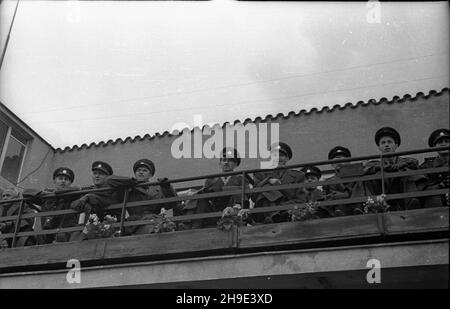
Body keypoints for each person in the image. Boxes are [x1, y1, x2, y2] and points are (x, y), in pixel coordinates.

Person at [352, 127, 422, 211]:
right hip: (381, 195)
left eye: (389, 142)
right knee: (365, 179)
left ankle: (411, 201)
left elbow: (414, 163)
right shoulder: (374, 164)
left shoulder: (406, 161)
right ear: (379, 147)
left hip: (400, 193)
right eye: (383, 143)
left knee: (406, 172)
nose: (386, 145)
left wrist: (393, 167)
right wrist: (389, 167)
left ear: (396, 145)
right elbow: (366, 169)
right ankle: (368, 206)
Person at [105, 158, 179, 235]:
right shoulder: (129, 187)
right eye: (138, 170)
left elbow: (171, 204)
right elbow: (109, 179)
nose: (141, 172)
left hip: (153, 221)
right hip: (134, 224)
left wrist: (167, 187)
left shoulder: (158, 188)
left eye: (144, 170)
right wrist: (131, 181)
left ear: (150, 175)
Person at [187, 147, 250, 229]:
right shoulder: (211, 179)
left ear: (236, 164)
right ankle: (195, 225)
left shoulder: (241, 178)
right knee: (200, 197)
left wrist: (222, 190)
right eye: (224, 160)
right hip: (214, 212)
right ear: (220, 163)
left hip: (233, 211)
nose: (226, 162)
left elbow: (247, 194)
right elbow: (205, 194)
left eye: (230, 160)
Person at [23, 167, 81, 244]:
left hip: (64, 235)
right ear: (54, 180)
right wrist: (45, 194)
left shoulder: (73, 196)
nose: (63, 181)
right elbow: (26, 193)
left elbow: (78, 189)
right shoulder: (48, 197)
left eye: (66, 179)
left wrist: (57, 193)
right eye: (60, 178)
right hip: (47, 234)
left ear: (70, 183)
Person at [251, 142, 306, 223]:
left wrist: (278, 185)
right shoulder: (260, 174)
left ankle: (276, 214)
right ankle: (274, 214)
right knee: (266, 188)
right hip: (264, 216)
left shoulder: (298, 175)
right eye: (275, 155)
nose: (278, 158)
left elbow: (300, 199)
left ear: (287, 159)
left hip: (288, 213)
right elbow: (254, 197)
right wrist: (268, 180)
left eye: (281, 155)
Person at [70, 161, 122, 239]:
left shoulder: (113, 191)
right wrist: (85, 197)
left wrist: (89, 197)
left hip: (109, 226)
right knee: (74, 240)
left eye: (101, 174)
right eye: (95, 173)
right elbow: (74, 205)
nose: (97, 176)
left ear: (108, 177)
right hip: (90, 226)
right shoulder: (88, 191)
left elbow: (106, 201)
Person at [323, 146, 361, 216]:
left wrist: (341, 195)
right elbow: (327, 198)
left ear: (349, 161)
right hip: (336, 212)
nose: (338, 161)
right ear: (332, 164)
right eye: (336, 158)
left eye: (341, 158)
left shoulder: (357, 177)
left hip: (356, 210)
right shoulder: (328, 182)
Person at [418, 128, 449, 208]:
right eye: (440, 142)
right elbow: (422, 189)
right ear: (434, 146)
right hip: (437, 207)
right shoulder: (426, 167)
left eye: (447, 141)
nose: (444, 144)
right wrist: (441, 185)